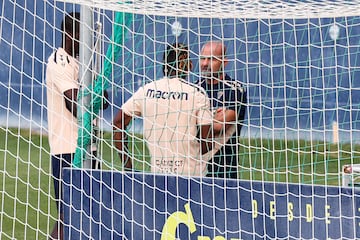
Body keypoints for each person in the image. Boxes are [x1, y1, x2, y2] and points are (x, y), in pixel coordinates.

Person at [46, 12, 108, 239]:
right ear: (71, 34)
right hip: (67, 150)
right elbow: (75, 106)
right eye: (85, 35)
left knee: (94, 212)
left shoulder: (83, 62)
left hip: (89, 148)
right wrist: (93, 95)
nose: (88, 41)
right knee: (67, 216)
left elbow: (105, 99)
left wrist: (93, 93)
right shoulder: (59, 62)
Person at [113, 43, 219, 176]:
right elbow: (207, 143)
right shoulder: (197, 94)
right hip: (192, 175)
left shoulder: (147, 90)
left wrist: (128, 167)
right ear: (186, 65)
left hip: (158, 176)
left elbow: (118, 122)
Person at [198, 41, 247, 179]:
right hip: (196, 166)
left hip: (224, 169)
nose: (205, 64)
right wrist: (213, 117)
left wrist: (199, 120)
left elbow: (221, 126)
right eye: (202, 58)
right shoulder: (194, 89)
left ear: (224, 62)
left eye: (211, 59)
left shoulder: (234, 90)